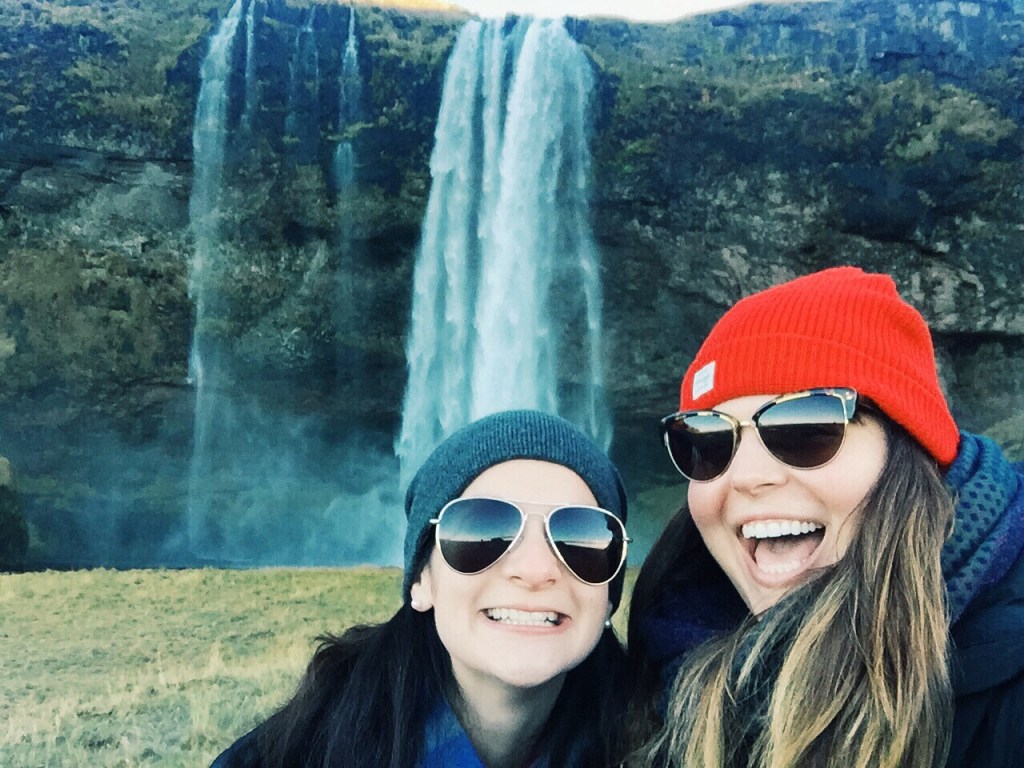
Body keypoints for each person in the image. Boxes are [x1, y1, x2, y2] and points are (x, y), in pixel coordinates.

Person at [626, 266, 1024, 768]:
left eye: (804, 426)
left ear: (909, 451)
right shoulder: (657, 673)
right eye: (708, 440)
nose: (746, 476)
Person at [211, 408, 631, 768]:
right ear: (421, 581)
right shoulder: (291, 754)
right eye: (481, 530)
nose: (535, 569)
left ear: (608, 596)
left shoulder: (656, 745)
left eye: (582, 538)